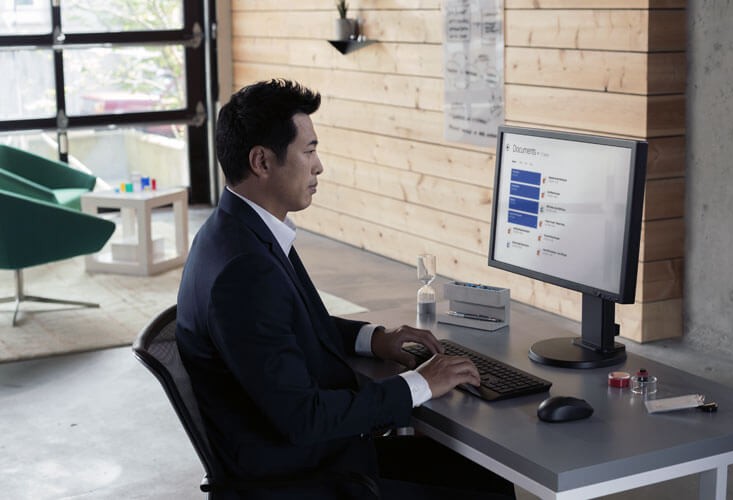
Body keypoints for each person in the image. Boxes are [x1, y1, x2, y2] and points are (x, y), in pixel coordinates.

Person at [175, 79, 516, 499]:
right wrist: (421, 383)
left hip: (307, 458)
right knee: (488, 490)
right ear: (262, 161)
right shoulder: (244, 270)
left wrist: (374, 338)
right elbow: (304, 418)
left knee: (480, 474)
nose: (319, 167)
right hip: (305, 476)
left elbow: (287, 323)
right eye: (310, 151)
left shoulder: (236, 230)